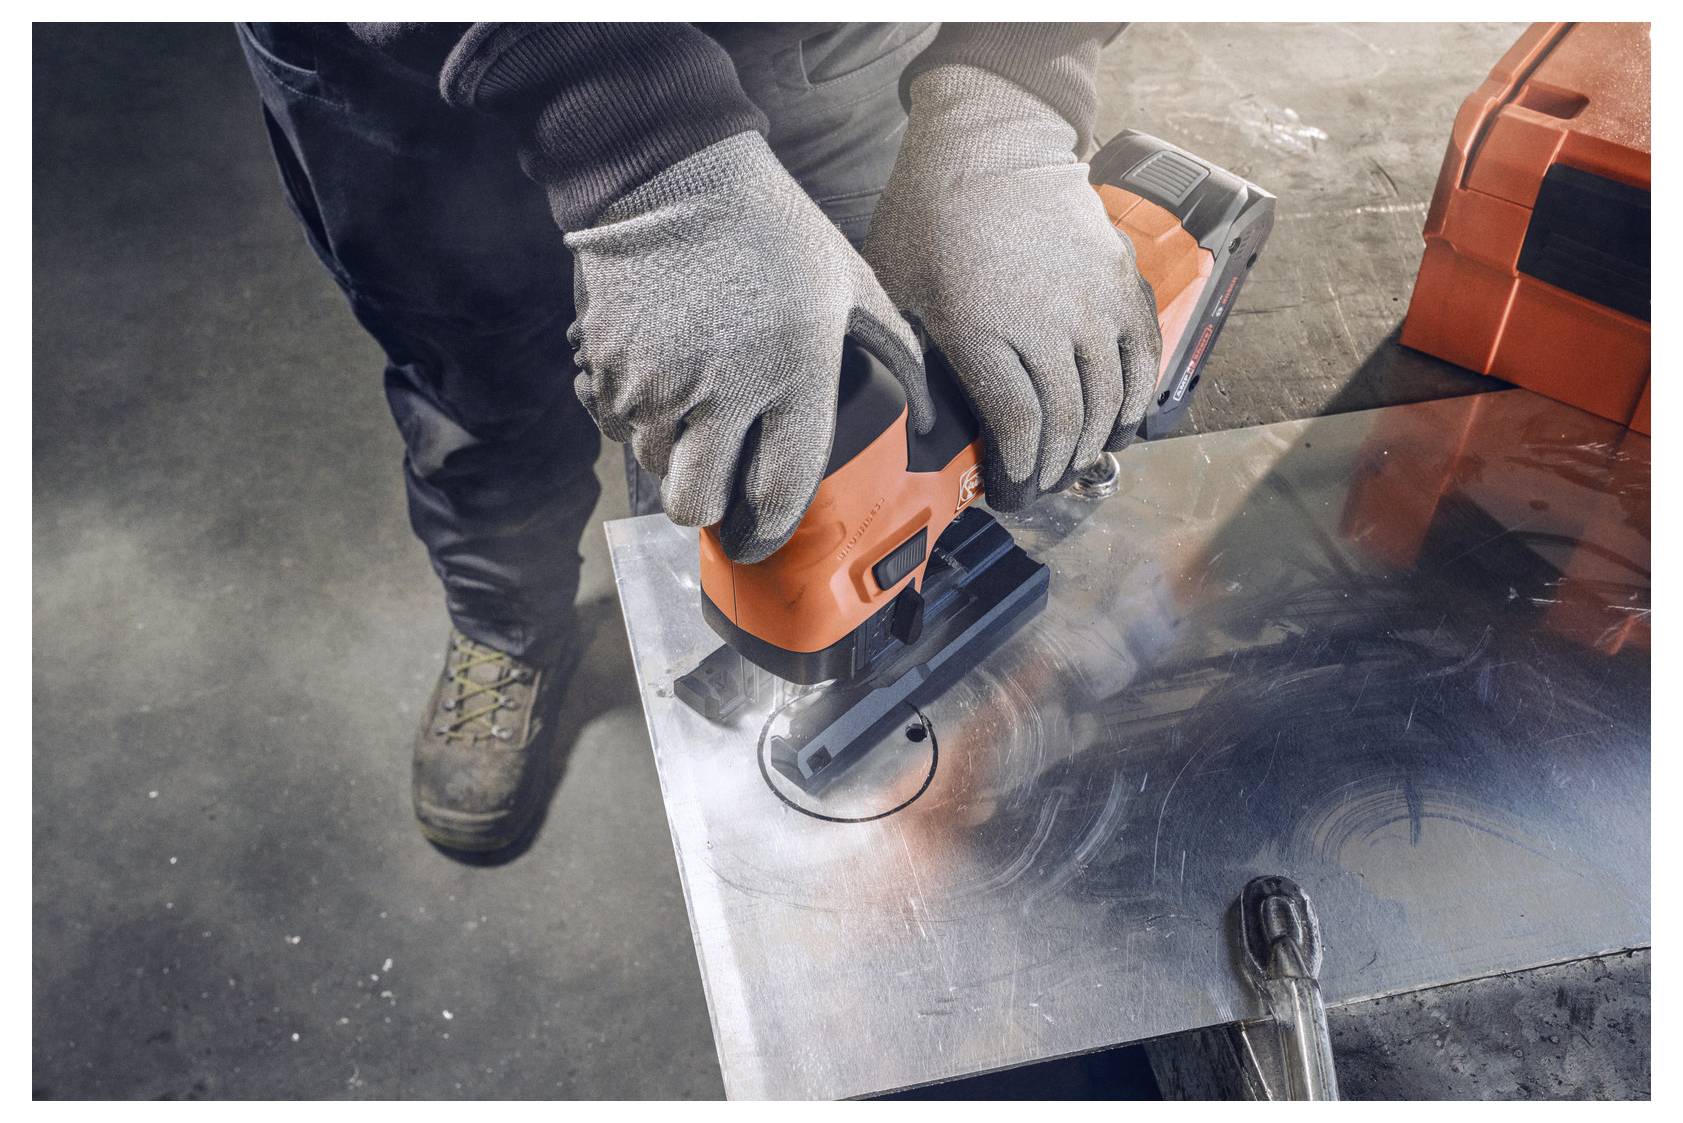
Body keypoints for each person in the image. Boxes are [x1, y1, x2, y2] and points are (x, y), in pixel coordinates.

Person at [237, 22, 1162, 852]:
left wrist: (1015, 84)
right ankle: (507, 628)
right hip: (404, 85)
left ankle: (779, 639)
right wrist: (637, 150)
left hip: (804, 48)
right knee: (475, 407)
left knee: (810, 432)